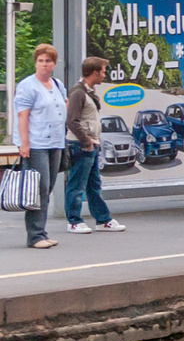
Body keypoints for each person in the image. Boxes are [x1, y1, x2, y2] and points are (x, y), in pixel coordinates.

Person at [16, 44, 69, 248]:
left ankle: (42, 232)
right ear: (35, 62)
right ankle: (35, 235)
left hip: (55, 142)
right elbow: (23, 115)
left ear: (54, 64)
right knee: (39, 187)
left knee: (48, 188)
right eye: (41, 60)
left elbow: (64, 106)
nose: (44, 64)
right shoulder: (28, 86)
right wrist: (24, 144)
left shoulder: (56, 84)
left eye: (48, 61)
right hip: (36, 143)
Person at [64, 56, 123, 234]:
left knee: (93, 184)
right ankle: (73, 221)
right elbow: (71, 121)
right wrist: (86, 141)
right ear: (95, 72)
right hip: (81, 145)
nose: (105, 75)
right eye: (103, 71)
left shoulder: (88, 92)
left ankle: (102, 219)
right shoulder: (78, 93)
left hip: (91, 144)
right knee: (76, 184)